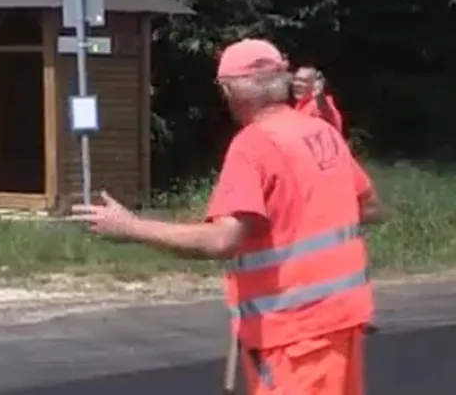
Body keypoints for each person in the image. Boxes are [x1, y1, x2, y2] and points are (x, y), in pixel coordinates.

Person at [71, 38, 384, 394]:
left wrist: (130, 227)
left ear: (231, 89)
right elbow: (369, 206)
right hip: (344, 321)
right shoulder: (322, 133)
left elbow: (221, 240)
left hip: (293, 332)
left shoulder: (253, 146)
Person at [293, 65, 345, 134]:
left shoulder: (319, 103)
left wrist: (319, 96)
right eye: (295, 79)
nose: (296, 84)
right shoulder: (300, 104)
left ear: (315, 84)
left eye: (303, 81)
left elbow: (326, 111)